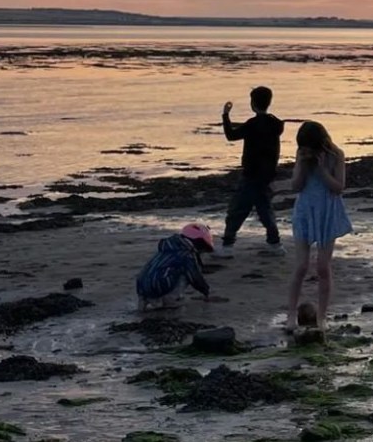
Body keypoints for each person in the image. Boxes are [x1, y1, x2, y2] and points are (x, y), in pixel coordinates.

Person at [285, 120, 351, 333]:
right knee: (301, 266)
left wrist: (322, 169)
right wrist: (303, 164)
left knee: (323, 266)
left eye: (309, 148)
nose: (307, 151)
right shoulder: (301, 154)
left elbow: (338, 187)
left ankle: (322, 316)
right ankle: (291, 315)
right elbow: (296, 185)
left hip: (327, 212)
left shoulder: (336, 155)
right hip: (305, 211)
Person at [221, 86, 285, 251]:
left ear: (253, 103)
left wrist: (225, 115)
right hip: (267, 174)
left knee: (238, 209)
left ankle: (228, 244)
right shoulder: (276, 124)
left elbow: (231, 135)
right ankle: (275, 243)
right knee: (264, 209)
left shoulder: (252, 124)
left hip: (251, 174)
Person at [135, 223, 215, 311]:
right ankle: (169, 301)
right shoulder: (186, 255)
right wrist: (205, 291)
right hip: (159, 288)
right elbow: (195, 277)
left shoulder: (167, 248)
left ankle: (147, 302)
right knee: (186, 272)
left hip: (141, 288)